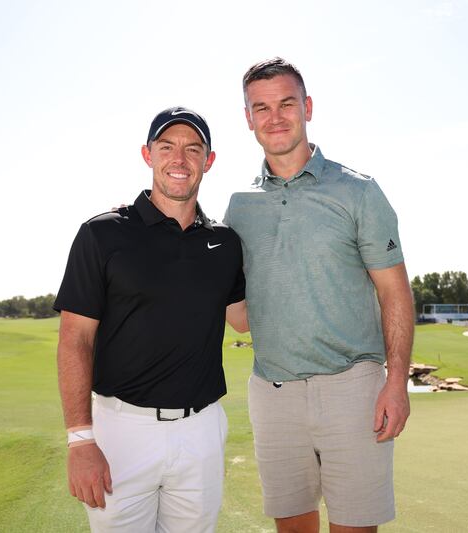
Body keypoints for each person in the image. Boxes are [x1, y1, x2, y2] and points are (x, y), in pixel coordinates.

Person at [224, 58, 415, 532]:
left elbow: (395, 292)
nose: (275, 117)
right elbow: (241, 316)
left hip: (353, 388)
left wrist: (396, 382)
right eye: (261, 108)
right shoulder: (238, 207)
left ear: (307, 107)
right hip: (273, 393)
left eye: (286, 103)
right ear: (248, 119)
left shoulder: (358, 191)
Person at [54, 106, 246, 533]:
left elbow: (243, 319)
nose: (180, 159)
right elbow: (74, 340)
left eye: (193, 149)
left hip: (201, 431)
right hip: (122, 431)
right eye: (167, 147)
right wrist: (80, 440)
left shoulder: (225, 243)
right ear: (148, 154)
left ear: (208, 161)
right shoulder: (102, 234)